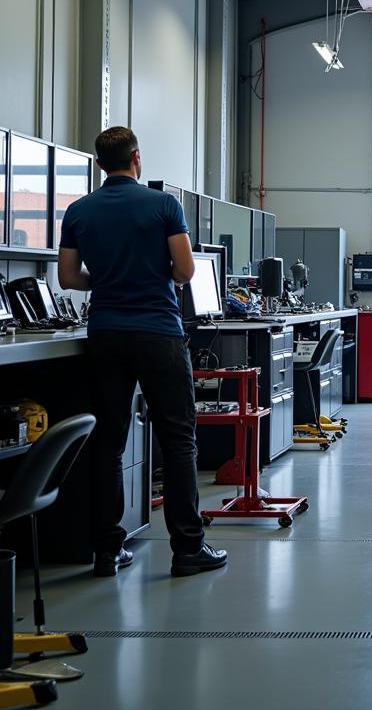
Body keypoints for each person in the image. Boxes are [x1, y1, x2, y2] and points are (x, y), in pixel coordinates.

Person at [57, 127, 228, 577]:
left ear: (99, 164)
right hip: (158, 333)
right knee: (178, 442)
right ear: (137, 158)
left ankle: (107, 551)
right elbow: (187, 270)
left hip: (106, 334)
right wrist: (152, 275)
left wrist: (109, 281)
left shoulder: (79, 211)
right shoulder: (164, 205)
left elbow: (69, 278)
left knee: (108, 443)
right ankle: (188, 549)